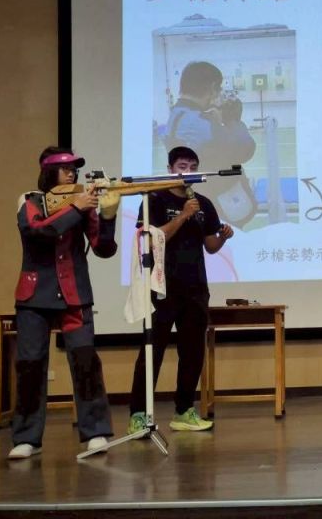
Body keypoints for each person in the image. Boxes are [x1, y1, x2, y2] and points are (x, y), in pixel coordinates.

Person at [8, 147, 121, 459]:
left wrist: (108, 216)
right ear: (49, 172)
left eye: (74, 168)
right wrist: (76, 207)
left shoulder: (82, 204)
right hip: (34, 296)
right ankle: (26, 437)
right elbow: (36, 231)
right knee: (30, 365)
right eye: (65, 168)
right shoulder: (30, 200)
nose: (72, 173)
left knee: (85, 361)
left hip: (75, 294)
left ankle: (96, 431)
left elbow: (103, 248)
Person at [128, 146, 234, 433]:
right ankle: (138, 414)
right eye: (182, 166)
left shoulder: (204, 204)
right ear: (170, 168)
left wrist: (223, 237)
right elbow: (151, 240)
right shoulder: (154, 199)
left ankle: (184, 411)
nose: (188, 171)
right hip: (162, 287)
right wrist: (183, 215)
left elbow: (210, 246)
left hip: (195, 287)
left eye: (193, 166)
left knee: (193, 352)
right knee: (152, 352)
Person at [161, 60, 257, 227]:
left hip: (197, 197)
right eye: (218, 88)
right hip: (221, 201)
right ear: (212, 88)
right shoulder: (203, 124)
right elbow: (245, 149)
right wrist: (233, 121)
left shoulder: (176, 115)